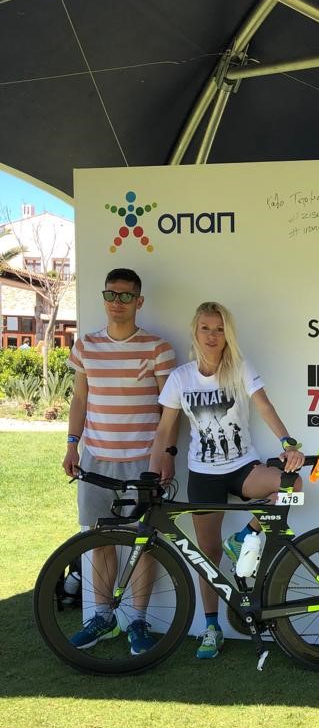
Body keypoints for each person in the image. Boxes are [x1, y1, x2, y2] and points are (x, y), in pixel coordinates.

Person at [149, 301, 304, 660]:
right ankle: (211, 627)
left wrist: (287, 442)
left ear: (227, 334)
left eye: (219, 329)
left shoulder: (239, 368)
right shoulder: (180, 378)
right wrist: (153, 470)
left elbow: (265, 406)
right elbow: (164, 429)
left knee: (292, 486)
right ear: (195, 331)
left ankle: (244, 536)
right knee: (208, 556)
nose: (212, 335)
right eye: (205, 328)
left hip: (242, 468)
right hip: (203, 476)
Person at [63, 268, 177, 655]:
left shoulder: (158, 348)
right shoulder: (85, 346)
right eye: (111, 294)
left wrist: (166, 455)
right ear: (104, 297)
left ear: (139, 301)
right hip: (95, 461)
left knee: (144, 543)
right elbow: (80, 400)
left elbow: (169, 411)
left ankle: (138, 622)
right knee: (100, 541)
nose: (117, 302)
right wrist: (71, 445)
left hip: (142, 461)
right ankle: (102, 618)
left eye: (126, 296)